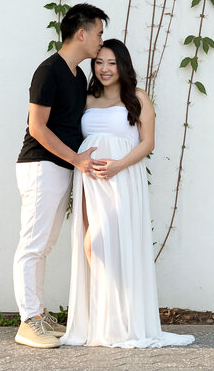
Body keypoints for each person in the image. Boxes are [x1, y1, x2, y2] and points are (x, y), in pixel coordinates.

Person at [60, 38, 194, 348]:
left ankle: (124, 318)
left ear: (122, 66)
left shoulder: (137, 97)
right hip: (90, 180)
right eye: (99, 62)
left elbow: (147, 143)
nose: (105, 69)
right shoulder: (87, 98)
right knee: (92, 245)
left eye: (112, 63)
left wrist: (119, 165)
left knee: (116, 246)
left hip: (122, 178)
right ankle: (108, 318)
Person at [13, 3, 109, 349]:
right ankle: (28, 321)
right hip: (41, 166)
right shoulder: (49, 71)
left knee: (46, 243)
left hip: (61, 168)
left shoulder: (78, 76)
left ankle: (38, 314)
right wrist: (77, 160)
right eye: (98, 33)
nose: (101, 40)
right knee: (33, 244)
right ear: (81, 33)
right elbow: (37, 128)